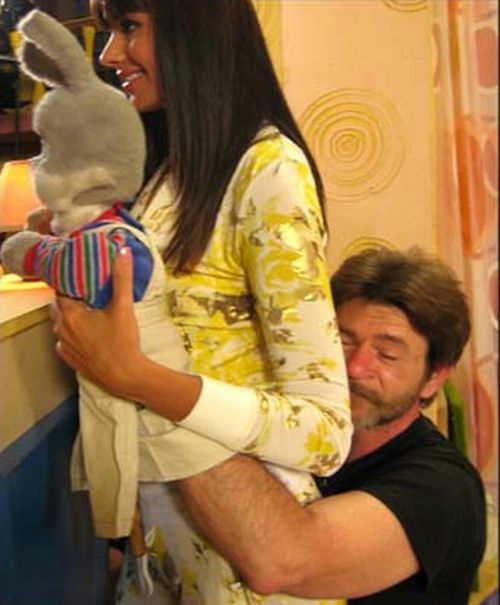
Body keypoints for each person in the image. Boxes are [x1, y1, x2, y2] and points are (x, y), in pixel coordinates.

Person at [52, 0, 352, 603]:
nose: (110, 55)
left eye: (129, 28)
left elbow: (324, 432)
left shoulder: (269, 171)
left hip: (245, 566)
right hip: (163, 560)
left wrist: (138, 377)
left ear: (196, 32)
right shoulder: (167, 176)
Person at [173, 247, 487, 605]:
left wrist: (169, 400)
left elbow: (281, 563)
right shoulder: (292, 435)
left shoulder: (443, 485)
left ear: (434, 377)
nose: (354, 367)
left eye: (386, 355)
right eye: (342, 341)